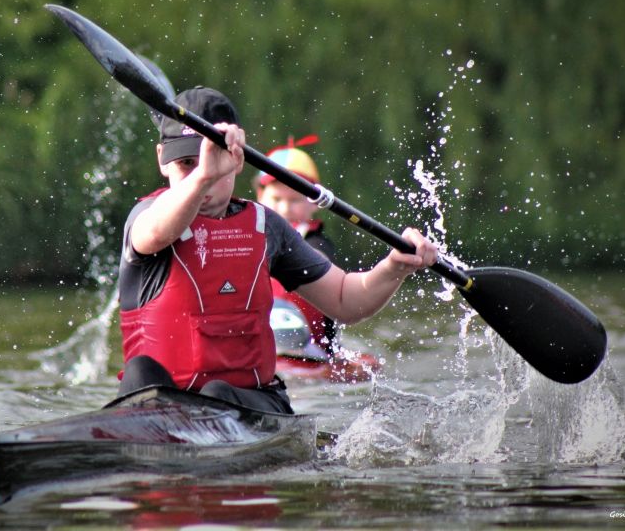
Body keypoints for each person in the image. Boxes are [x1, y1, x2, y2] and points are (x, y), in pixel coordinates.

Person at [118, 87, 437, 414]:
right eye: (187, 163)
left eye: (213, 163)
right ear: (162, 159)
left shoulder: (266, 227)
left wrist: (395, 266)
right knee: (141, 374)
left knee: (217, 393)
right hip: (159, 409)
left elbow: (344, 300)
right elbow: (156, 233)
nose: (205, 175)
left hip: (250, 403)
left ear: (237, 160)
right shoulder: (146, 218)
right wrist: (203, 175)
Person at [255, 137, 340, 356]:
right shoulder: (246, 238)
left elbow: (319, 264)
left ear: (313, 203)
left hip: (312, 353)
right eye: (276, 198)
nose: (284, 208)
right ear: (260, 196)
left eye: (294, 200)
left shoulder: (317, 243)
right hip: (262, 347)